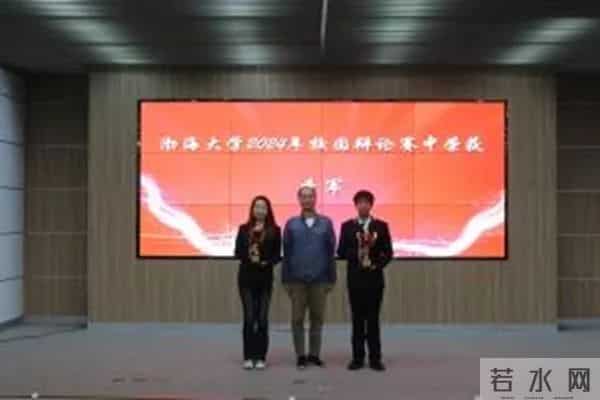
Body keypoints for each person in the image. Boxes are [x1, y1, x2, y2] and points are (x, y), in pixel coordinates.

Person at [337, 190, 393, 372]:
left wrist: (376, 265)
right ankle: (357, 358)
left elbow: (388, 253)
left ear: (371, 205)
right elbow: (341, 252)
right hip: (355, 279)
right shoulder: (347, 226)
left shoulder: (381, 226)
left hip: (374, 279)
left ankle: (375, 358)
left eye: (366, 202)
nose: (363, 205)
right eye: (360, 202)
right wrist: (358, 254)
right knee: (357, 319)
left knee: (373, 319)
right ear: (355, 205)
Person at [282, 185, 337, 369]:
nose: (307, 199)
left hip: (320, 280)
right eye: (304, 196)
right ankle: (300, 355)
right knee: (297, 319)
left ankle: (314, 355)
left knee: (317, 319)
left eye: (310, 196)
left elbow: (330, 253)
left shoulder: (326, 223)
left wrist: (332, 278)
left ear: (315, 199)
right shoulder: (291, 224)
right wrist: (285, 280)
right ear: (299, 199)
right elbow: (286, 253)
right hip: (296, 281)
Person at [234, 195, 282, 370]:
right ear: (252, 210)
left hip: (265, 279)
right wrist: (249, 257)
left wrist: (265, 262)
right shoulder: (243, 229)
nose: (260, 210)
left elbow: (277, 256)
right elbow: (237, 252)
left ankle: (261, 357)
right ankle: (248, 356)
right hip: (246, 278)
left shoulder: (275, 230)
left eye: (263, 207)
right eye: (257, 207)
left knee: (262, 318)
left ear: (268, 210)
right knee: (249, 317)